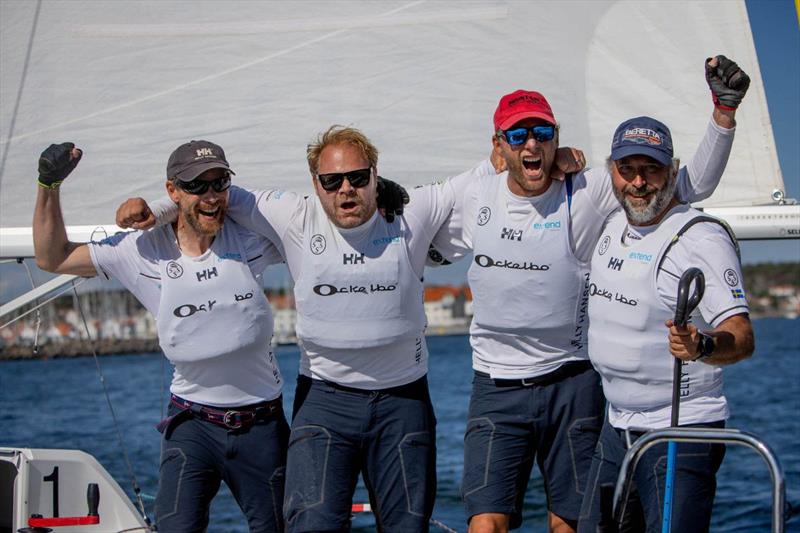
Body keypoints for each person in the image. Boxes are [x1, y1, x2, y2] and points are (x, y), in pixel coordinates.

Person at [427, 55, 750, 533]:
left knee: (573, 524)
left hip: (580, 386)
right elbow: (404, 222)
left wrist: (723, 115)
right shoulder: (478, 192)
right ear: (499, 147)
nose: (638, 181)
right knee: (491, 523)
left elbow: (690, 185)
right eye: (518, 135)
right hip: (512, 389)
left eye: (542, 132)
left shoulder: (599, 191)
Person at [33, 140, 290, 533]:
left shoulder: (252, 237)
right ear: (173, 188)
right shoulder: (139, 250)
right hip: (192, 427)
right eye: (195, 186)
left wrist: (159, 206)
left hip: (261, 427)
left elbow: (310, 219)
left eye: (218, 183)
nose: (210, 196)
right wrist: (48, 185)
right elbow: (53, 257)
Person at [577, 113, 754, 533]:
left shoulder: (700, 238)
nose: (638, 182)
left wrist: (703, 347)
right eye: (628, 170)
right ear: (612, 173)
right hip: (616, 425)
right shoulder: (611, 220)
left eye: (651, 169)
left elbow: (743, 337)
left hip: (682, 429)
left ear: (672, 171)